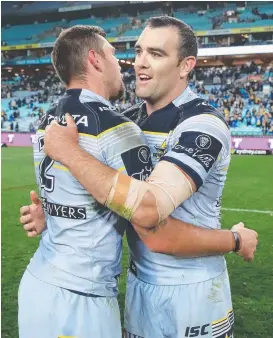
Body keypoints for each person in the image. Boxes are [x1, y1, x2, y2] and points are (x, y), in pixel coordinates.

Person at [20, 19, 258, 338]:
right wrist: (59, 214)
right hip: (139, 289)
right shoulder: (128, 121)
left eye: (156, 53)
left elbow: (153, 226)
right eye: (138, 51)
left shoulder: (202, 124)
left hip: (192, 293)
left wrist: (236, 240)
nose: (140, 62)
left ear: (186, 65)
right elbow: (109, 194)